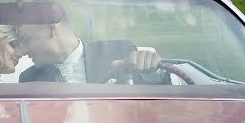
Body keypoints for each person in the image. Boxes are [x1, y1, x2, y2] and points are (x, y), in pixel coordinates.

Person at [15, 16, 162, 84]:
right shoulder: (29, 79)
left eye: (27, 39)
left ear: (51, 29)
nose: (22, 52)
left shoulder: (120, 51)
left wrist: (153, 70)